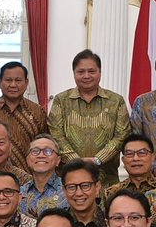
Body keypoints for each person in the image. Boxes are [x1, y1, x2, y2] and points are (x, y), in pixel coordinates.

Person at [49, 49, 132, 189]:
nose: (86, 76)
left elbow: (122, 136)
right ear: (74, 73)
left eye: (91, 71)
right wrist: (76, 161)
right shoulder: (61, 100)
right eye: (81, 72)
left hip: (107, 179)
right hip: (69, 178)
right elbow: (55, 135)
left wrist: (98, 160)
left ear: (100, 72)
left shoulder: (116, 101)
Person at [0, 62, 49, 171]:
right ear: (0, 82)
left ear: (26, 82)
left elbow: (45, 145)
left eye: (18, 80)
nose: (13, 85)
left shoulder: (37, 112)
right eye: (8, 80)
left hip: (28, 178)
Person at [62, 160, 112, 227]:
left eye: (85, 186)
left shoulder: (112, 222)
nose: (79, 193)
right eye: (71, 187)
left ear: (97, 187)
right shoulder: (58, 224)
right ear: (64, 190)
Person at [20, 134, 68, 216]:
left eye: (48, 151)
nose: (41, 155)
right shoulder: (20, 193)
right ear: (27, 160)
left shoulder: (69, 190)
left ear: (58, 160)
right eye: (35, 151)